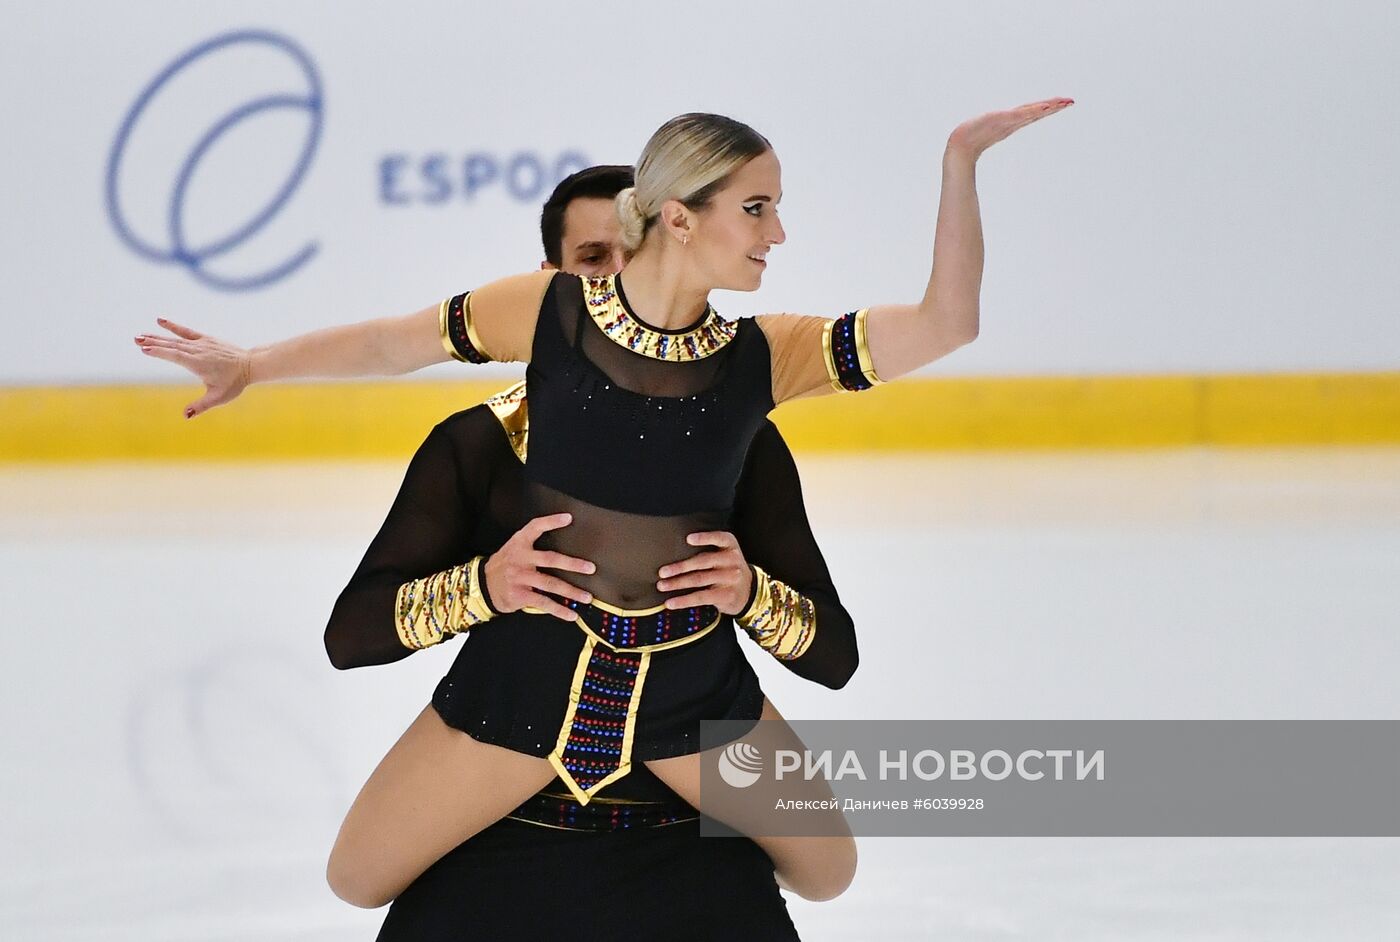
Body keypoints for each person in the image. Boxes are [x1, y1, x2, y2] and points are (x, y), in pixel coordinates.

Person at [138, 100, 1072, 920]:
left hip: (690, 696)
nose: (777, 232)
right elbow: (392, 342)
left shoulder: (767, 355)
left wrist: (961, 162)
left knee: (827, 871)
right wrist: (253, 365)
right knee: (357, 875)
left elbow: (948, 323)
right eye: (756, 207)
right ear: (680, 215)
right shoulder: (549, 311)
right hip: (523, 690)